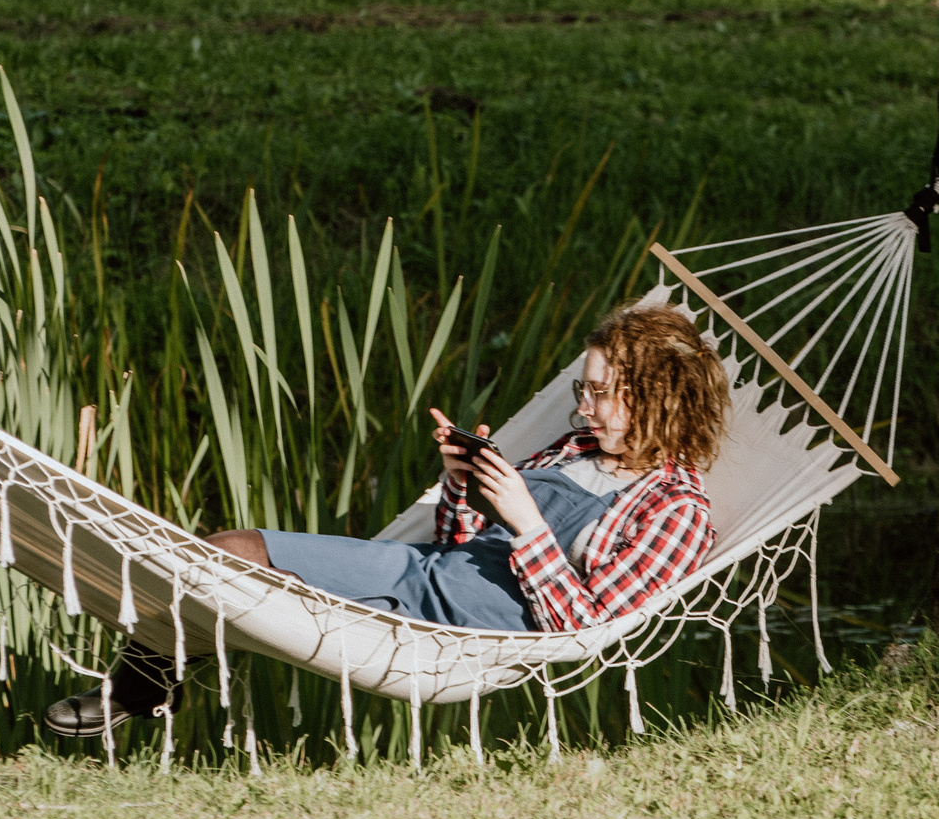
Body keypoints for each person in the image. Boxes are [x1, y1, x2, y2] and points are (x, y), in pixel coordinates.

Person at [42, 302, 729, 737]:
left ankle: (138, 688)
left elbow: (587, 626)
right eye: (585, 389)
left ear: (658, 397)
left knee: (226, 572)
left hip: (452, 627)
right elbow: (462, 543)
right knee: (220, 551)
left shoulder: (675, 511)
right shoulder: (579, 447)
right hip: (423, 572)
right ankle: (152, 679)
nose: (584, 408)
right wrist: (465, 485)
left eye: (603, 394)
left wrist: (528, 524)